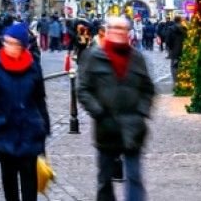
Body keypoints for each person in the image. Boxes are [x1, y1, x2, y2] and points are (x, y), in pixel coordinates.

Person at [77, 15, 156, 201]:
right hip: (106, 127)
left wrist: (141, 112)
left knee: (134, 178)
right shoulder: (95, 56)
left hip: (133, 127)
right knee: (105, 180)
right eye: (116, 29)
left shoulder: (137, 58)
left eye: (123, 29)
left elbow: (148, 88)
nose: (120, 33)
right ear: (108, 31)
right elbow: (83, 89)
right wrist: (98, 112)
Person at [0, 22, 50, 201]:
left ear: (23, 46)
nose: (10, 47)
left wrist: (44, 126)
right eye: (7, 42)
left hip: (29, 131)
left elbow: (40, 99)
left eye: (14, 44)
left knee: (29, 184)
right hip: (4, 129)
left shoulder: (33, 67)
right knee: (9, 183)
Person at [163, 16, 187, 83]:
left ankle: (176, 81)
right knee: (182, 65)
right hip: (183, 49)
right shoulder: (184, 28)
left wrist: (170, 48)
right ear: (180, 21)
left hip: (174, 50)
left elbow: (167, 41)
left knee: (174, 66)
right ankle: (183, 80)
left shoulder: (170, 29)